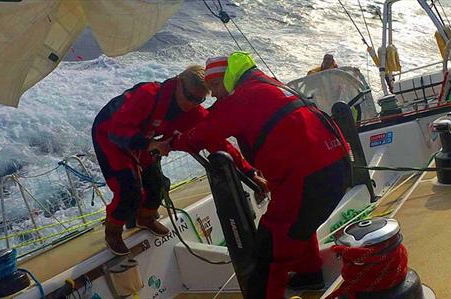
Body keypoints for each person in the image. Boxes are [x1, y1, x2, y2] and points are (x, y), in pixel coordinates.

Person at [173, 52, 351, 298]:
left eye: (215, 85)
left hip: (310, 177)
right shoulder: (267, 84)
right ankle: (309, 275)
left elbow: (207, 131)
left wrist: (172, 143)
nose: (213, 93)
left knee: (270, 246)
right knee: (297, 223)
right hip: (337, 166)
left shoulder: (242, 97)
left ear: (228, 78)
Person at [91, 65, 262, 256]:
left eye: (198, 100)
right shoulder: (147, 94)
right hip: (110, 135)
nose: (191, 103)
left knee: (158, 185)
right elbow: (117, 130)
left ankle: (144, 218)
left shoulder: (193, 112)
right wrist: (150, 145)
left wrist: (249, 172)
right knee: (129, 190)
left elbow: (217, 141)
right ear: (178, 81)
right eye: (189, 96)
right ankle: (113, 232)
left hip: (145, 139)